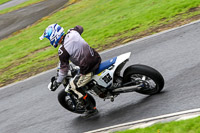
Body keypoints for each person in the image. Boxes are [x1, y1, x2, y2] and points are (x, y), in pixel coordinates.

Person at [40, 24, 101, 117]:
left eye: (49, 38)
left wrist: (57, 82)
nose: (49, 41)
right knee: (78, 72)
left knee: (72, 87)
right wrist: (72, 30)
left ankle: (91, 109)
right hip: (96, 58)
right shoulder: (73, 32)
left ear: (54, 37)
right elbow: (81, 27)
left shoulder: (63, 50)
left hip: (88, 68)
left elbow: (64, 69)